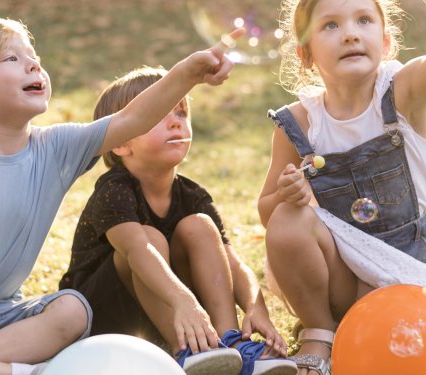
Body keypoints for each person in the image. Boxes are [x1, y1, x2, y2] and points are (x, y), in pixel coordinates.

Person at [0, 17, 242, 375]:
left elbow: (131, 119)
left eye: (34, 58)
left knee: (72, 309)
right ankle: (6, 372)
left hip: (1, 319)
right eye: (12, 58)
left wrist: (186, 73)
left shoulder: (56, 149)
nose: (33, 65)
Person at [258, 0, 426, 375]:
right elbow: (267, 213)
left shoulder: (403, 93)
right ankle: (320, 331)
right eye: (330, 25)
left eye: (363, 20)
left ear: (385, 40)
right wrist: (287, 195)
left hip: (406, 270)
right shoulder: (299, 123)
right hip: (342, 275)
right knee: (286, 221)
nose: (350, 33)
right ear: (306, 55)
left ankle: (361, 329)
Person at [59, 66, 297, 375]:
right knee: (150, 239)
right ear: (120, 142)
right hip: (105, 314)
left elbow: (232, 263)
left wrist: (255, 307)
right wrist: (184, 300)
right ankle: (189, 352)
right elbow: (137, 251)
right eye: (159, 115)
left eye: (181, 113)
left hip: (179, 311)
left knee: (199, 226)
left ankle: (228, 342)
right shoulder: (113, 190)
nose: (176, 122)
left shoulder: (192, 195)